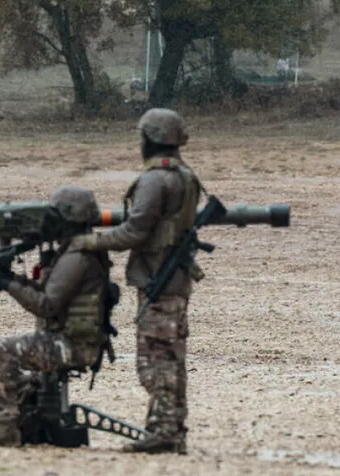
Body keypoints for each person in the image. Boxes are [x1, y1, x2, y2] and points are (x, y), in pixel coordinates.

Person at [68, 108, 202, 454]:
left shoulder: (156, 179)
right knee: (170, 358)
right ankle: (167, 429)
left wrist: (90, 242)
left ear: (151, 139)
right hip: (174, 277)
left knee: (154, 362)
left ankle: (165, 433)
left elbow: (135, 230)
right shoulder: (184, 175)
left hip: (160, 277)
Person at [0, 186, 112, 447]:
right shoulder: (71, 251)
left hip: (74, 347)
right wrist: (13, 278)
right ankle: (6, 418)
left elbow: (46, 305)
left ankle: (3, 426)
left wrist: (8, 283)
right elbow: (48, 295)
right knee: (23, 380)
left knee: (2, 351)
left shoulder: (77, 257)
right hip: (69, 340)